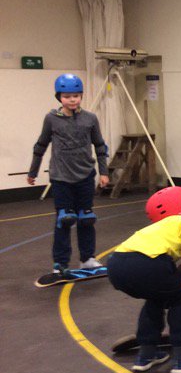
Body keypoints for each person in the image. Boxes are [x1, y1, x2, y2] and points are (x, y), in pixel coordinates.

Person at [107, 186, 181, 373]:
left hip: (116, 266)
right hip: (150, 264)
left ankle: (146, 354)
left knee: (156, 297)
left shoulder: (153, 228)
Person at [27, 73, 111, 276]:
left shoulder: (90, 119)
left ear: (81, 96)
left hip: (85, 176)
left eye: (76, 96)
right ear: (59, 97)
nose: (72, 100)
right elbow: (41, 145)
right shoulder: (51, 119)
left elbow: (100, 146)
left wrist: (104, 172)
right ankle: (60, 263)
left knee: (86, 218)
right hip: (61, 177)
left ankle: (88, 259)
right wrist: (33, 171)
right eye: (66, 96)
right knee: (64, 219)